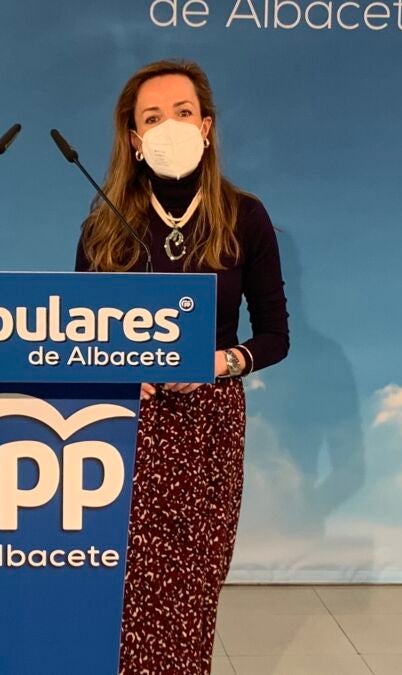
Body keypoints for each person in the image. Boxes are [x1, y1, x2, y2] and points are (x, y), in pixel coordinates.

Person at [74, 59, 291, 674]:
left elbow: (275, 337)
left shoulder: (245, 216)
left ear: (207, 127)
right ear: (134, 138)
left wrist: (219, 362)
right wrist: (117, 369)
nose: (169, 125)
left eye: (183, 112)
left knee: (192, 589)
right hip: (122, 426)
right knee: (126, 589)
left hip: (208, 427)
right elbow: (76, 335)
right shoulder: (102, 225)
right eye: (152, 117)